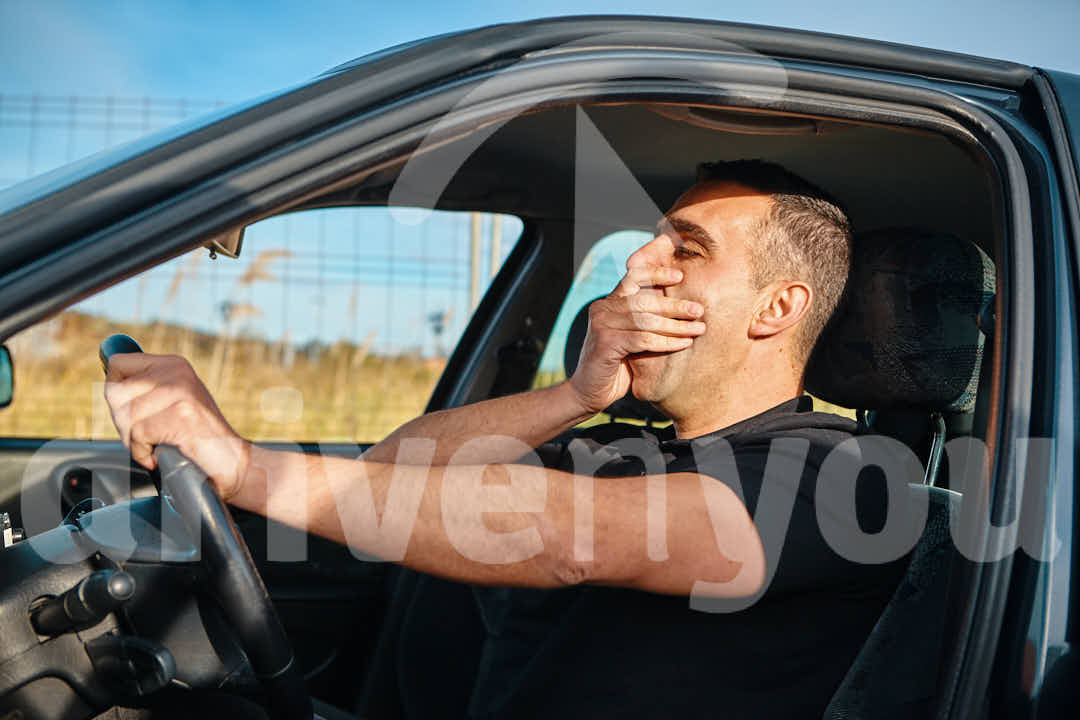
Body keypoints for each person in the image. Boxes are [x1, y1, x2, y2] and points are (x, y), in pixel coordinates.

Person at [104, 160, 908, 718]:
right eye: (652, 239)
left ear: (777, 308)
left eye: (686, 248)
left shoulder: (849, 473)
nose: (640, 261)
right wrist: (574, 397)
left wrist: (246, 469)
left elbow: (573, 539)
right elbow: (396, 472)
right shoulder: (613, 446)